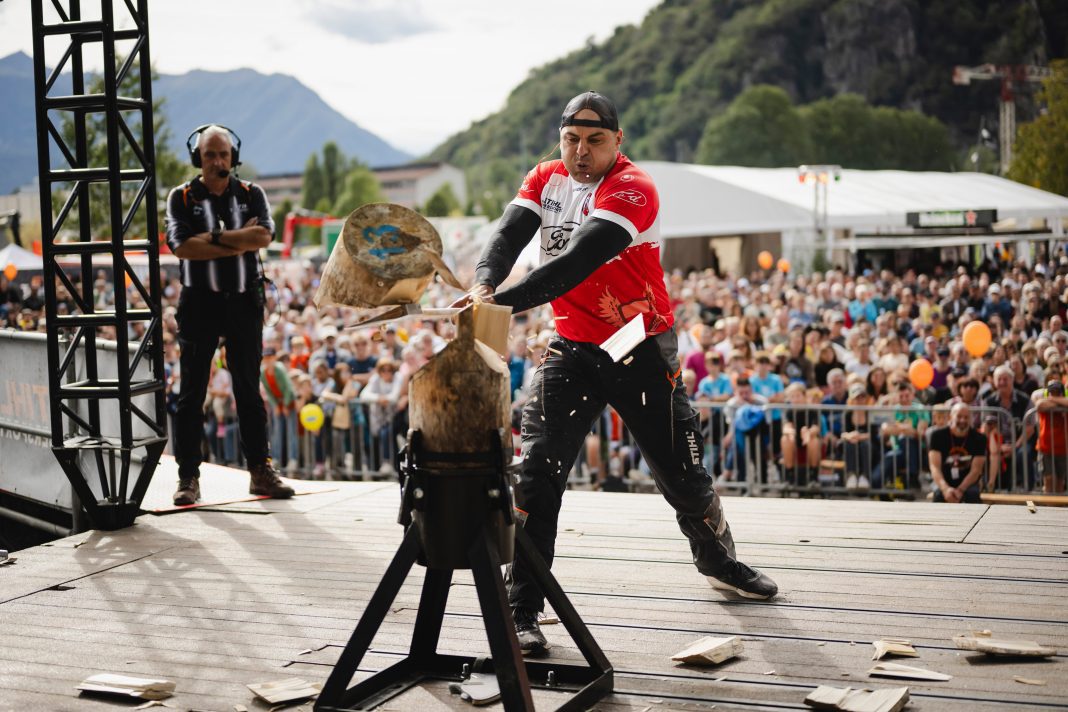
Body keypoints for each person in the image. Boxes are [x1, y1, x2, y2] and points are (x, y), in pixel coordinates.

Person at [454, 91, 777, 654]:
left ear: (617, 141)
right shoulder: (544, 178)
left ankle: (719, 561)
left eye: (595, 141)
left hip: (641, 348)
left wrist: (500, 303)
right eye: (571, 140)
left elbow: (574, 263)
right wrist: (484, 282)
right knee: (535, 475)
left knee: (681, 473)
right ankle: (522, 605)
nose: (581, 152)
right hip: (572, 348)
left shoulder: (634, 187)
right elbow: (508, 235)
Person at [165, 124, 293, 504]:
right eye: (210, 155)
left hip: (243, 301)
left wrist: (213, 239)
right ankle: (188, 477)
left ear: (233, 156)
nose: (218, 161)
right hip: (199, 301)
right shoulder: (181, 197)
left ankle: (260, 470)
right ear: (197, 159)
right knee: (191, 394)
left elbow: (264, 237)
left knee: (248, 392)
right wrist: (237, 240)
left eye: (223, 154)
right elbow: (183, 247)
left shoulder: (252, 194)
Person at [927, 402, 987, 503]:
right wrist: (945, 489)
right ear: (950, 417)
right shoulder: (937, 436)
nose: (962, 420)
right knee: (938, 495)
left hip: (968, 482)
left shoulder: (979, 438)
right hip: (944, 480)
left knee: (972, 495)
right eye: (959, 416)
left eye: (966, 417)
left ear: (971, 419)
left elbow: (976, 470)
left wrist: (960, 490)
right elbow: (934, 467)